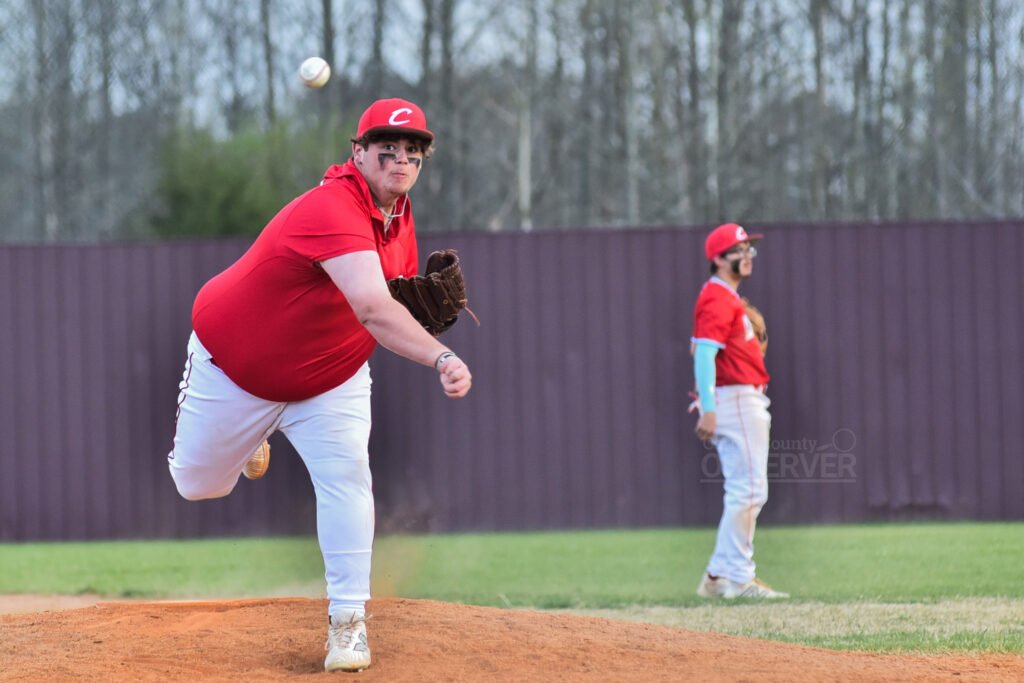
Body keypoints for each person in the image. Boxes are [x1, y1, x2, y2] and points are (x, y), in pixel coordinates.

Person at [166, 98, 472, 672]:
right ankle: (252, 436)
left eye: (413, 150)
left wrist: (416, 318)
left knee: (348, 480)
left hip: (333, 377)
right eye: (387, 147)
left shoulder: (399, 219)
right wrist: (440, 355)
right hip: (234, 368)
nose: (400, 158)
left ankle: (348, 623)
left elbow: (388, 301)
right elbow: (374, 309)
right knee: (196, 486)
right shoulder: (332, 207)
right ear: (358, 154)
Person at [690, 223, 787, 600]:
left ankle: (718, 576)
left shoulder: (726, 298)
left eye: (749, 250)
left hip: (736, 397)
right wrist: (709, 407)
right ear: (717, 258)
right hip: (735, 400)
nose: (746, 256)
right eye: (738, 250)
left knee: (742, 491)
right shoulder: (717, 297)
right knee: (750, 492)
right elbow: (703, 354)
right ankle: (740, 578)